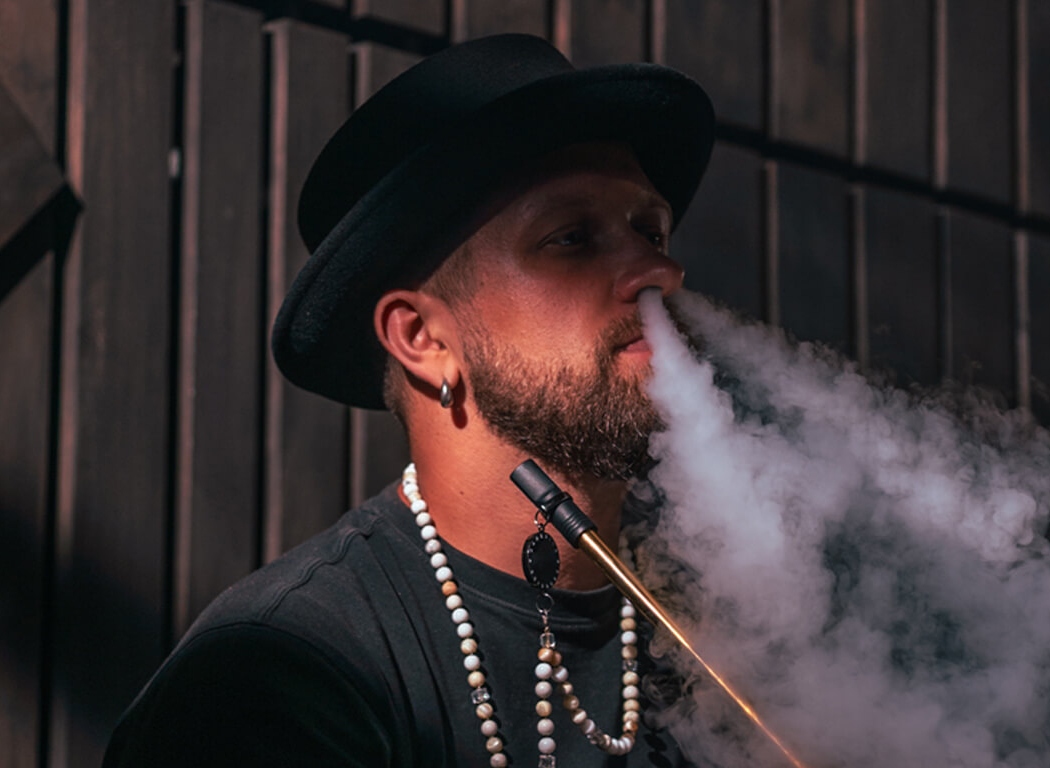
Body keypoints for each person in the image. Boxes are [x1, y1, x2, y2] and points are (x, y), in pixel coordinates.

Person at [102, 33, 715, 768]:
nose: (658, 269)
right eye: (572, 237)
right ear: (423, 337)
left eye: (650, 229)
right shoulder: (283, 677)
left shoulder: (737, 631)